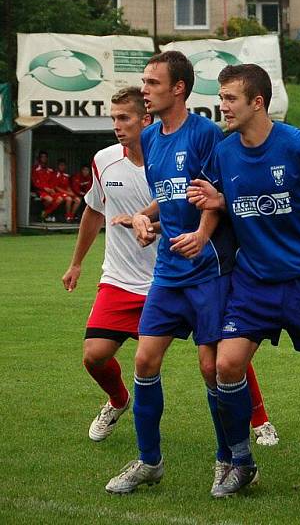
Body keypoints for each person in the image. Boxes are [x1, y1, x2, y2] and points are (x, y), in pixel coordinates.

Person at [186, 63, 300, 498]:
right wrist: (220, 200)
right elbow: (234, 199)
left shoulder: (298, 143)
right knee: (226, 364)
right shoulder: (224, 151)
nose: (222, 106)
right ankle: (242, 462)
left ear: (256, 102)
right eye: (221, 98)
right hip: (254, 281)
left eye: (230, 99)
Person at [103, 51, 272, 496]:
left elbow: (212, 194)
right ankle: (149, 461)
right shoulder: (153, 138)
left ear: (178, 89)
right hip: (168, 271)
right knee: (143, 359)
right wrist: (143, 218)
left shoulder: (204, 134)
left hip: (209, 270)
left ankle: (229, 458)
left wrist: (201, 233)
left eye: (153, 83)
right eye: (144, 82)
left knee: (210, 367)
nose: (145, 90)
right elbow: (169, 194)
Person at [62, 87, 157, 443]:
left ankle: (259, 421)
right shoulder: (104, 160)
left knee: (217, 351)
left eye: (124, 118)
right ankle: (117, 400)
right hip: (119, 279)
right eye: (113, 118)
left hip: (170, 278)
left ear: (145, 120)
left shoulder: (171, 161)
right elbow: (93, 210)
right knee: (94, 356)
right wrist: (76, 263)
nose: (116, 125)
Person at [31, 150, 65, 222]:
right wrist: (45, 188)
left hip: (49, 190)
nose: (44, 158)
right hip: (40, 191)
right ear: (39, 158)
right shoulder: (35, 169)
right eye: (42, 157)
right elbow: (35, 183)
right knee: (50, 199)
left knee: (60, 199)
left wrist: (51, 189)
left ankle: (45, 213)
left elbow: (52, 181)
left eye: (45, 157)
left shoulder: (50, 170)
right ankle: (43, 215)